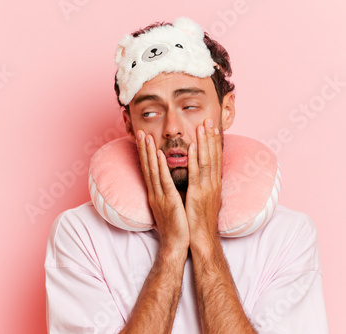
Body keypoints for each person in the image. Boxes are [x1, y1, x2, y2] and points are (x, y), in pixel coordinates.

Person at [45, 17, 328, 333]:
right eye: (150, 113)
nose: (172, 129)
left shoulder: (288, 235)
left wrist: (205, 240)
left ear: (226, 110)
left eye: (190, 105)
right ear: (129, 124)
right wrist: (171, 250)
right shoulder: (81, 234)